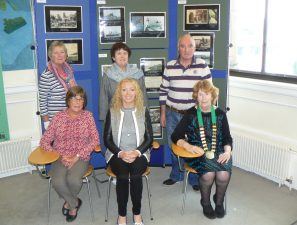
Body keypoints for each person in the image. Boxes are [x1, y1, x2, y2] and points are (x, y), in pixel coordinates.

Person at [171, 80, 232, 219]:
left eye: (206, 94)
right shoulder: (191, 114)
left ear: (212, 96)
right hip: (197, 152)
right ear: (196, 96)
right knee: (209, 174)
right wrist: (188, 146)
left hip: (218, 151)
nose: (203, 98)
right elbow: (176, 135)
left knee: (223, 174)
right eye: (200, 94)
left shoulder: (220, 114)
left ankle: (219, 201)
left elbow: (228, 138)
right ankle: (205, 202)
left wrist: (227, 151)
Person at [159, 33, 212, 190]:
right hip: (172, 113)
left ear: (195, 48)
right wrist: (162, 114)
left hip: (194, 115)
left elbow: (209, 92)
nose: (186, 50)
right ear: (178, 48)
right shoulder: (170, 66)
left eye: (190, 46)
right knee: (173, 144)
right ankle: (177, 174)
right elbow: (163, 92)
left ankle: (194, 179)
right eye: (183, 46)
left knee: (194, 144)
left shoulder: (202, 66)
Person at [40, 86, 100, 222]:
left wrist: (76, 156)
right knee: (58, 181)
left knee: (74, 180)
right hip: (60, 157)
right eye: (74, 98)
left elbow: (95, 139)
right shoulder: (58, 117)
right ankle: (74, 202)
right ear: (68, 101)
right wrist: (59, 156)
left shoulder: (88, 116)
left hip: (80, 156)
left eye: (81, 99)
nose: (78, 102)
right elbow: (44, 141)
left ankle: (69, 205)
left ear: (84, 102)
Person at [103, 78, 153, 225]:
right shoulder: (112, 112)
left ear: (137, 92)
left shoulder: (143, 111)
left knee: (136, 176)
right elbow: (107, 139)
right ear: (119, 93)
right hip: (117, 153)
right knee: (123, 177)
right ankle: (122, 216)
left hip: (139, 153)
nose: (128, 93)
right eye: (124, 89)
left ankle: (137, 214)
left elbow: (150, 138)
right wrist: (121, 153)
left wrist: (137, 152)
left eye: (132, 89)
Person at [99, 42, 148, 121]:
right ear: (113, 57)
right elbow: (103, 98)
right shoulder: (108, 74)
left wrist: (146, 114)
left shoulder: (137, 73)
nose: (122, 56)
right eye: (119, 53)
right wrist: (105, 118)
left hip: (135, 114)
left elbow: (143, 96)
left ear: (128, 56)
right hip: (116, 115)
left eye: (125, 53)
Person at [39, 41, 77, 129]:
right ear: (50, 56)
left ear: (66, 55)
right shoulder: (46, 76)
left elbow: (76, 94)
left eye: (62, 52)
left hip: (72, 118)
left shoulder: (69, 72)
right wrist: (46, 123)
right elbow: (42, 102)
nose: (60, 55)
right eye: (56, 53)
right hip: (56, 122)